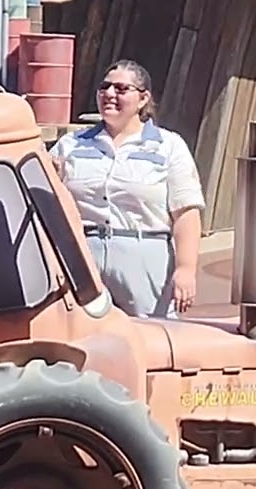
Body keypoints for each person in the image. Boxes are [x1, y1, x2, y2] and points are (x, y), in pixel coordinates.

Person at [49, 60, 205, 318]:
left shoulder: (169, 146)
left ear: (143, 99)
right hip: (83, 257)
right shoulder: (70, 145)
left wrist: (186, 269)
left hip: (144, 256)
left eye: (121, 89)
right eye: (105, 87)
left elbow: (186, 213)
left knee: (150, 334)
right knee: (81, 332)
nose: (110, 94)